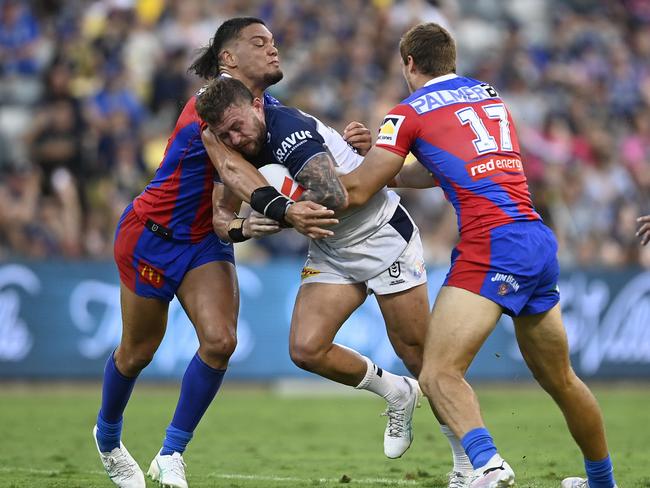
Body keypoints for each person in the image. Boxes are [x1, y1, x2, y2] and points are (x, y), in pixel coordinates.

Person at [340, 23, 618, 488]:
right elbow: (443, 171)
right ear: (451, 59)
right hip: (534, 238)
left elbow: (357, 190)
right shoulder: (488, 96)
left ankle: (488, 466)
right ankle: (602, 482)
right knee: (562, 380)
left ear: (409, 63)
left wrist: (315, 181)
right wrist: (389, 166)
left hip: (491, 244)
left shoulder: (406, 112)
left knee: (437, 373)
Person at [92, 17, 347, 488]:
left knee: (220, 341)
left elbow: (230, 204)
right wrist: (286, 211)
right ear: (228, 58)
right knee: (136, 353)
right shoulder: (206, 106)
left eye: (273, 41)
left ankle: (171, 453)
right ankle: (108, 439)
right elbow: (230, 168)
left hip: (203, 241)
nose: (273, 49)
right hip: (151, 235)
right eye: (259, 42)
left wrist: (343, 148)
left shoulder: (264, 107)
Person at [198, 77, 474, 487]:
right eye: (226, 135)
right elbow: (221, 220)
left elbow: (336, 195)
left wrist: (281, 210)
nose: (236, 138)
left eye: (239, 126)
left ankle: (469, 464)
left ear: (257, 106)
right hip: (330, 247)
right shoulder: (229, 147)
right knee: (306, 349)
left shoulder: (288, 130)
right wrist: (245, 228)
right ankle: (397, 392)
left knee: (422, 359)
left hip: (381, 235)